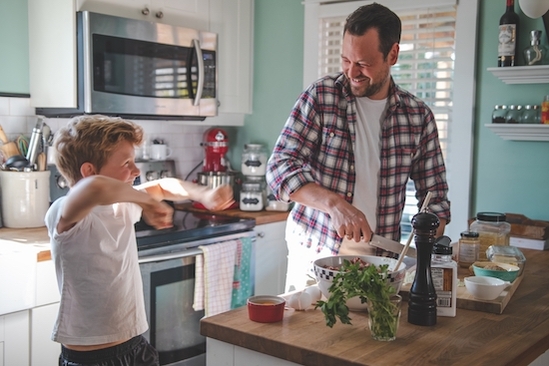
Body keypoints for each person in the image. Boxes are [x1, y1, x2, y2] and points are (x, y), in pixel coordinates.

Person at [266, 3, 451, 292]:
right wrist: (335, 205)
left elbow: (436, 198)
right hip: (317, 253)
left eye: (363, 63)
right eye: (345, 60)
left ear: (392, 54)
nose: (352, 72)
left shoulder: (417, 116)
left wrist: (428, 246)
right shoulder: (321, 97)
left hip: (381, 260)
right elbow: (279, 168)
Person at [44, 115, 233, 366]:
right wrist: (145, 201)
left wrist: (204, 193)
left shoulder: (121, 204)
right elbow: (94, 188)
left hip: (134, 346)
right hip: (90, 358)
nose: (136, 171)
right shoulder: (66, 210)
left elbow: (163, 186)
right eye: (126, 162)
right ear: (88, 170)